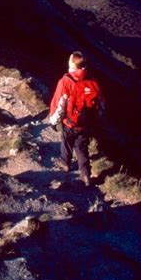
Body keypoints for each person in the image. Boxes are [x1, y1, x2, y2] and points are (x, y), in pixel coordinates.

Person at [49, 51, 103, 186]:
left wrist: (53, 121)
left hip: (70, 122)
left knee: (66, 141)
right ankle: (86, 175)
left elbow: (59, 105)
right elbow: (101, 103)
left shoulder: (66, 81)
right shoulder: (92, 80)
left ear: (72, 64)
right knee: (81, 147)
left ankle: (65, 162)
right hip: (86, 123)